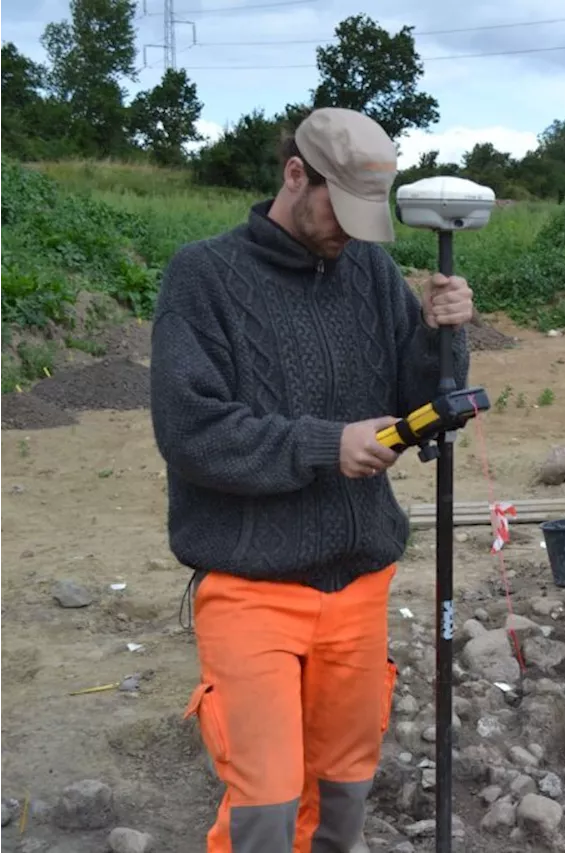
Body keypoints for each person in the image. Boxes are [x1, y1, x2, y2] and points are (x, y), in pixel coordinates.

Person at [148, 106, 474, 853]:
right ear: (297, 174)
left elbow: (421, 405)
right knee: (266, 803)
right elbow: (191, 432)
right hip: (251, 585)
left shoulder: (368, 268)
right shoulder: (203, 278)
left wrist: (440, 335)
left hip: (358, 585)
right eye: (343, 209)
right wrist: (327, 445)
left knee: (345, 791)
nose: (355, 232)